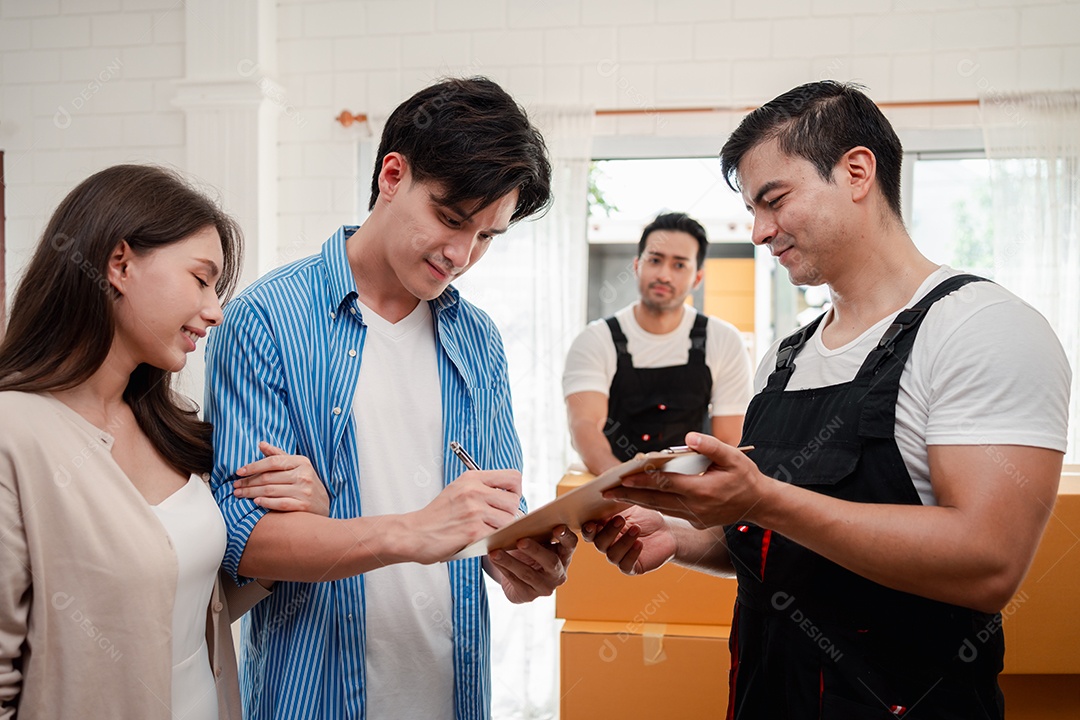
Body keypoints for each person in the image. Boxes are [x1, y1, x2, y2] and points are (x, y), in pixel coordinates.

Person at [583, 81, 1071, 719]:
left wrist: (763, 498)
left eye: (775, 200)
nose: (759, 231)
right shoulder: (786, 358)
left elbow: (987, 562)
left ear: (857, 171)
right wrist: (680, 536)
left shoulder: (982, 329)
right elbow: (780, 544)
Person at [206, 76, 577, 720]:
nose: (461, 255)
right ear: (392, 175)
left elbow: (488, 517)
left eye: (488, 236)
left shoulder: (477, 339)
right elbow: (246, 544)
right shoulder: (266, 320)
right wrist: (412, 530)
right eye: (451, 218)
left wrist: (522, 561)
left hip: (450, 693)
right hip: (314, 694)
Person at [0, 165, 326, 720]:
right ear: (120, 264)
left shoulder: (165, 424)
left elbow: (176, 601)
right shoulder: (15, 434)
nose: (215, 311)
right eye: (201, 280)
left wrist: (300, 518)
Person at [563, 212, 752, 475]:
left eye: (679, 265)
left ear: (697, 278)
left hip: (694, 496)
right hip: (616, 491)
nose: (664, 275)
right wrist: (626, 492)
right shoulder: (596, 339)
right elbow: (584, 427)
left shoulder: (723, 340)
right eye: (655, 260)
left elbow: (729, 441)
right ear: (637, 265)